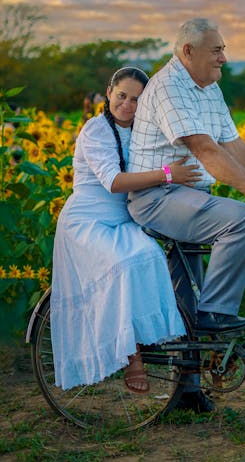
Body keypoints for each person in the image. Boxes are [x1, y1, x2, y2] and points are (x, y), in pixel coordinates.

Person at [127, 18, 245, 411]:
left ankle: (186, 390)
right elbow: (205, 149)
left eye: (223, 48)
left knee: (186, 293)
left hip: (188, 196)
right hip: (157, 196)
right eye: (216, 49)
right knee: (242, 220)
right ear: (188, 52)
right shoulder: (171, 86)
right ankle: (218, 314)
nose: (224, 56)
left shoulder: (208, 88)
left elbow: (232, 144)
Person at [50, 67, 201, 394]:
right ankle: (132, 355)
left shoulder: (145, 132)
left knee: (150, 256)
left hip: (126, 219)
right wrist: (167, 175)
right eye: (122, 96)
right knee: (124, 264)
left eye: (136, 99)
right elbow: (114, 182)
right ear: (109, 93)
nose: (128, 105)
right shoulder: (96, 130)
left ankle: (170, 350)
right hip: (88, 221)